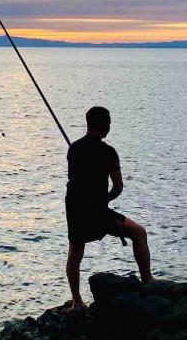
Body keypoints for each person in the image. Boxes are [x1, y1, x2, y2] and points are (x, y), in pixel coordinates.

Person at [65, 105, 154, 310]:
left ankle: (77, 301)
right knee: (139, 233)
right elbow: (118, 186)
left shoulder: (74, 149)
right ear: (104, 125)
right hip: (97, 211)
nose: (110, 126)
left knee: (75, 252)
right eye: (109, 123)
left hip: (75, 209)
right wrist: (105, 199)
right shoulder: (108, 152)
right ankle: (147, 279)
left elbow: (78, 180)